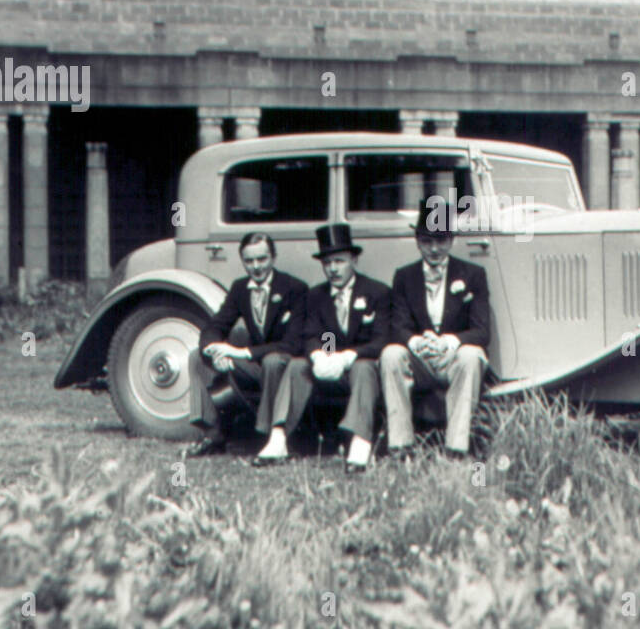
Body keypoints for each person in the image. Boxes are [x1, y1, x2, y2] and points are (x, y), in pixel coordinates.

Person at [262, 224, 390, 472]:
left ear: (354, 260)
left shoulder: (377, 292)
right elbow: (318, 334)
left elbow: (380, 339)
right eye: (327, 263)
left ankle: (360, 443)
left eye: (339, 261)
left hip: (361, 365)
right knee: (298, 365)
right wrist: (324, 355)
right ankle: (278, 437)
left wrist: (350, 355)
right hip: (332, 366)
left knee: (363, 368)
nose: (333, 269)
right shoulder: (317, 296)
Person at [380, 197, 490, 459]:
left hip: (453, 357)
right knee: (391, 354)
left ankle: (456, 447)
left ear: (451, 240)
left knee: (471, 355)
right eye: (427, 241)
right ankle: (401, 445)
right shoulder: (404, 276)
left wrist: (450, 341)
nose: (434, 249)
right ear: (417, 241)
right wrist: (418, 342)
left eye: (440, 240)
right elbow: (398, 326)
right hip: (422, 358)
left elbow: (482, 331)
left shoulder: (473, 274)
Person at [187, 232, 307, 457]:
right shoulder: (240, 288)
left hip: (281, 365)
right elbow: (215, 326)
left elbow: (292, 344)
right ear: (242, 261)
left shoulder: (294, 288)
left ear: (273, 257)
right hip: (252, 366)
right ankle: (212, 434)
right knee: (197, 356)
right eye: (249, 261)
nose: (256, 267)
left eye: (262, 259)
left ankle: (270, 436)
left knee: (273, 361)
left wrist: (240, 352)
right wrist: (214, 352)